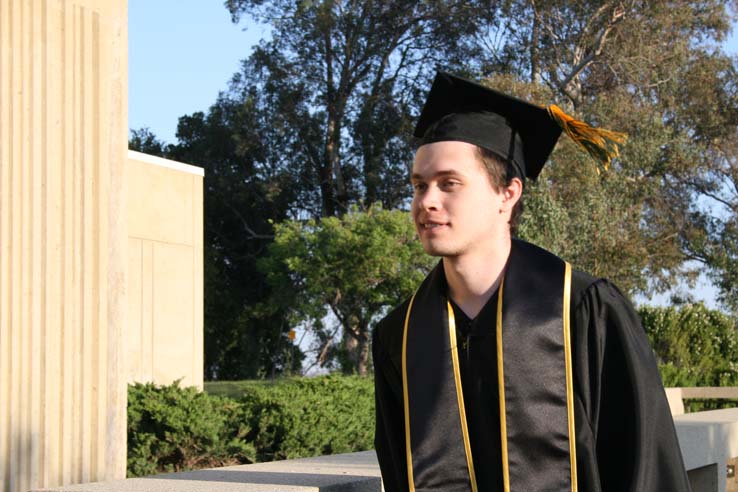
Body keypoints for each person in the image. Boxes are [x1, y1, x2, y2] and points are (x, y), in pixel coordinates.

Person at [372, 72, 692, 492]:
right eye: (418, 186)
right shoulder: (401, 335)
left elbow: (646, 469)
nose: (426, 201)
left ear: (508, 194)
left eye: (449, 184)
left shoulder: (582, 310)